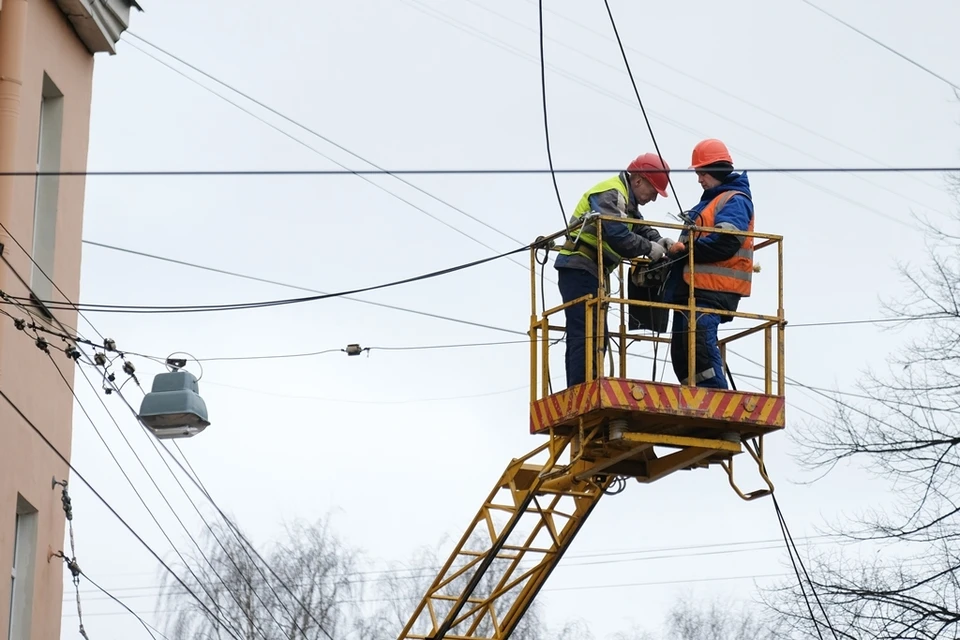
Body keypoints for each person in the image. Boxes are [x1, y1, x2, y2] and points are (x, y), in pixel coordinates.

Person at [554, 153, 673, 389]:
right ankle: (581, 391)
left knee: (596, 335)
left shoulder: (625, 200)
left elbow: (638, 226)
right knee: (588, 333)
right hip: (580, 267)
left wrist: (661, 240)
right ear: (638, 180)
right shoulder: (612, 193)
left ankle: (585, 387)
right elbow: (618, 235)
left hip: (590, 270)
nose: (653, 199)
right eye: (653, 191)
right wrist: (651, 249)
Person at [662, 139, 755, 389]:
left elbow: (726, 242)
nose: (699, 179)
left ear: (715, 169)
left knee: (700, 345)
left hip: (714, 289)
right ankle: (694, 400)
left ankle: (718, 400)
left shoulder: (734, 200)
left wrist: (687, 250)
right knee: (682, 355)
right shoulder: (708, 203)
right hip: (693, 290)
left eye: (701, 173)